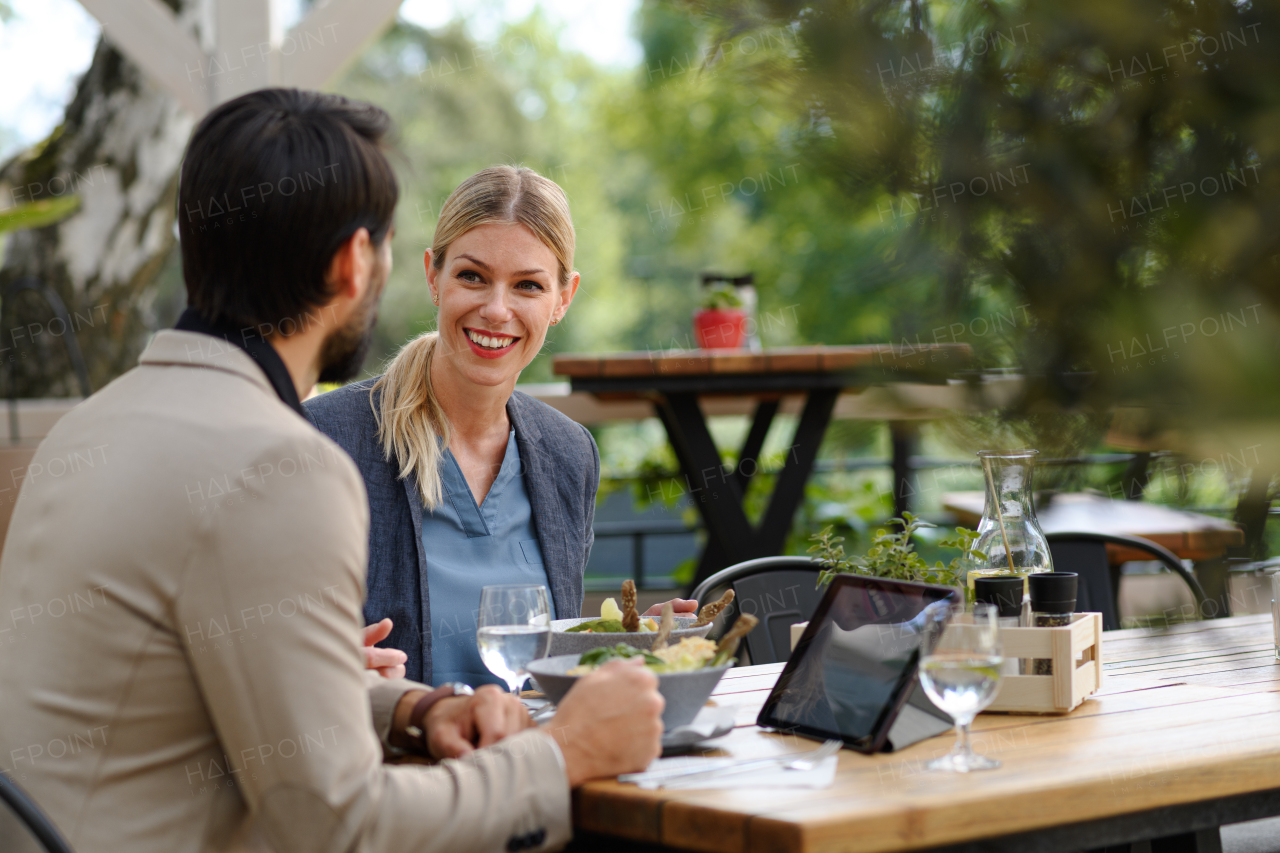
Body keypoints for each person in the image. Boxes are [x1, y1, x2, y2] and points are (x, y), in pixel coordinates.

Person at [0, 88, 663, 853]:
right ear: (357, 262)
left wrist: (411, 708)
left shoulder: (92, 425)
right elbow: (335, 826)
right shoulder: (278, 462)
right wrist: (565, 753)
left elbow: (197, 700)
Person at [307, 166, 695, 687]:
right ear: (432, 276)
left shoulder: (567, 452)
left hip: (537, 759)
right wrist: (316, 667)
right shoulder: (326, 440)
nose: (496, 309)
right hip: (399, 760)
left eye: (528, 286)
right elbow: (263, 657)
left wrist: (618, 641)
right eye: (472, 276)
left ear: (563, 298)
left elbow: (538, 659)